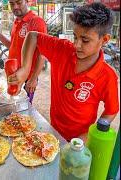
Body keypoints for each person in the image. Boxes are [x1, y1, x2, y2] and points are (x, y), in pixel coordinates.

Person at [10, 2, 119, 141]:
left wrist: (89, 136)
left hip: (80, 142)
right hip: (53, 130)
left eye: (85, 40)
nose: (76, 44)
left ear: (104, 39)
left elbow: (111, 111)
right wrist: (25, 69)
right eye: (75, 37)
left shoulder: (107, 76)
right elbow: (32, 36)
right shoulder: (63, 50)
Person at [0, 0, 47, 103]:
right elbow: (12, 46)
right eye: (12, 3)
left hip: (28, 77)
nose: (15, 7)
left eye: (19, 3)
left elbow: (42, 54)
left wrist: (33, 79)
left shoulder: (36, 22)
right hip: (13, 74)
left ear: (27, 2)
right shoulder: (16, 22)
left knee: (24, 108)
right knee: (13, 104)